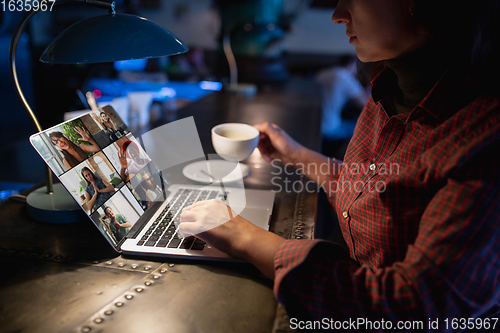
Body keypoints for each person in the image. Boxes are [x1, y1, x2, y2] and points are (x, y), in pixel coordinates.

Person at [178, 0, 500, 328]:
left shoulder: (483, 138)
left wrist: (243, 236)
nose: (337, 15)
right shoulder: (388, 93)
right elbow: (373, 187)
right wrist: (295, 154)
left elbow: (410, 308)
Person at [316, 54, 370, 158]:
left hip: (314, 127)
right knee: (362, 130)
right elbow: (365, 104)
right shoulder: (344, 76)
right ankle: (345, 161)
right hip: (330, 128)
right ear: (352, 64)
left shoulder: (323, 73)